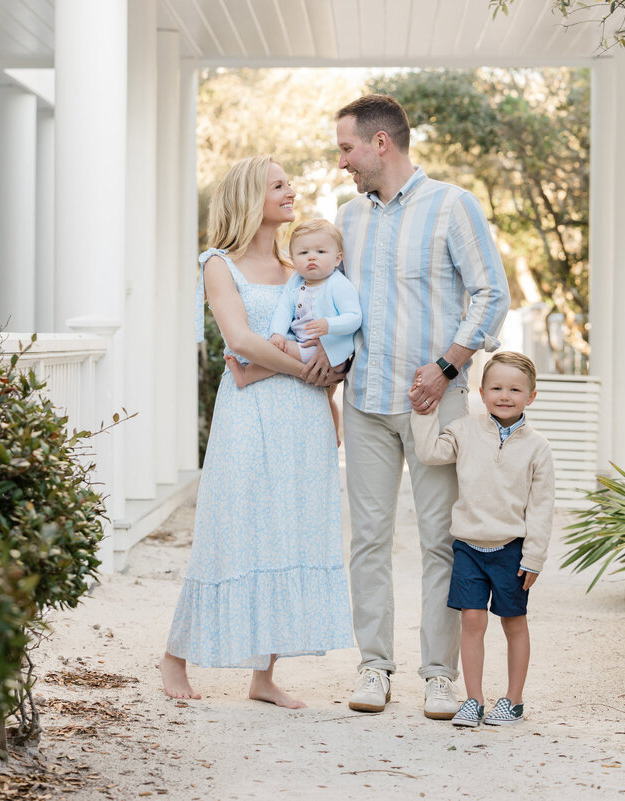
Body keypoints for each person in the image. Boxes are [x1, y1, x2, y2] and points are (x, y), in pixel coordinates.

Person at [328, 94, 511, 719]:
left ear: (381, 143)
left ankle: (439, 675)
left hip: (438, 403)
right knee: (369, 542)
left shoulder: (452, 205)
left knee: (440, 541)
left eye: (347, 148)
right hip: (366, 401)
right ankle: (373, 668)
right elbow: (340, 303)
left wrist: (447, 366)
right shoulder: (347, 218)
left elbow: (491, 294)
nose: (342, 162)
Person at [160, 155, 353, 709]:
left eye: (289, 182)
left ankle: (264, 675)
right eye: (278, 186)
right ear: (250, 197)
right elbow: (240, 342)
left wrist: (321, 373)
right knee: (232, 530)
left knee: (291, 529)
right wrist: (302, 367)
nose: (291, 191)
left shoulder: (304, 267)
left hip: (306, 416)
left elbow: (331, 339)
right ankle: (176, 654)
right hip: (249, 415)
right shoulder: (219, 264)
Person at [410, 351, 555, 727]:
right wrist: (422, 412)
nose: (504, 395)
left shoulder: (537, 447)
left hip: (512, 551)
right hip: (469, 548)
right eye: (496, 388)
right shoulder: (464, 429)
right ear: (481, 391)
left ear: (531, 396)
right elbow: (428, 453)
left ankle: (514, 701)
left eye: (515, 389)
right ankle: (473, 700)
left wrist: (534, 558)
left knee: (514, 622)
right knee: (472, 621)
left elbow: (541, 507)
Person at [225, 219, 359, 444]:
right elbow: (284, 308)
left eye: (320, 251)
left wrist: (328, 325)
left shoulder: (338, 284)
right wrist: (277, 332)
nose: (312, 257)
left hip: (328, 351)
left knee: (283, 351)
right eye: (304, 252)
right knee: (280, 348)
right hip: (305, 343)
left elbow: (354, 318)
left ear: (338, 258)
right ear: (293, 258)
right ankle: (334, 433)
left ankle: (248, 375)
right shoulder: (296, 281)